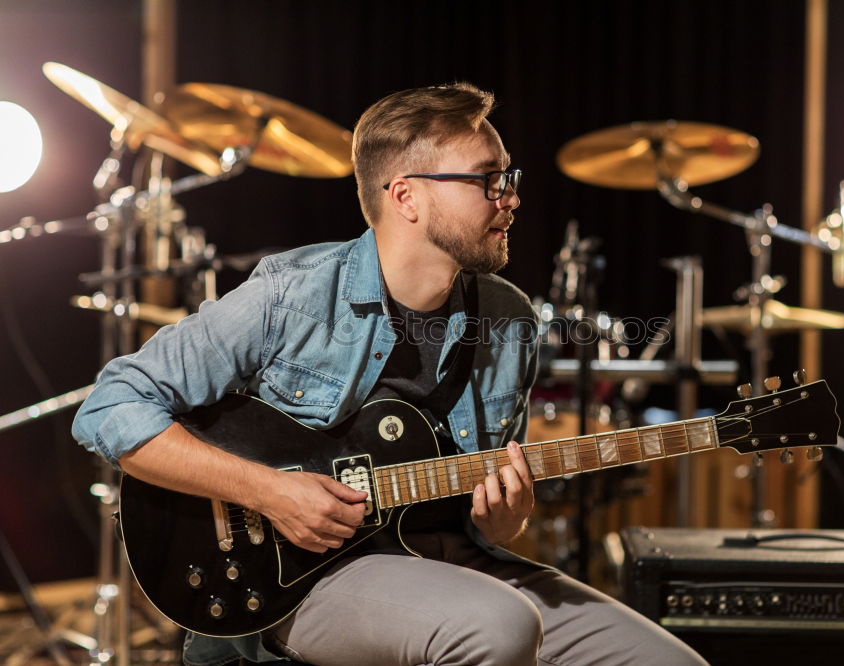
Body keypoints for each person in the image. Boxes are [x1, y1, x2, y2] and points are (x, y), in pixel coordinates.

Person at [73, 83, 708, 666]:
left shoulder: (510, 318)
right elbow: (111, 407)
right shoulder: (293, 293)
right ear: (406, 193)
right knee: (498, 625)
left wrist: (500, 522)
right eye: (488, 180)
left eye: (509, 177)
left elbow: (474, 505)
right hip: (300, 579)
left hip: (445, 559)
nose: (510, 197)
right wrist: (270, 492)